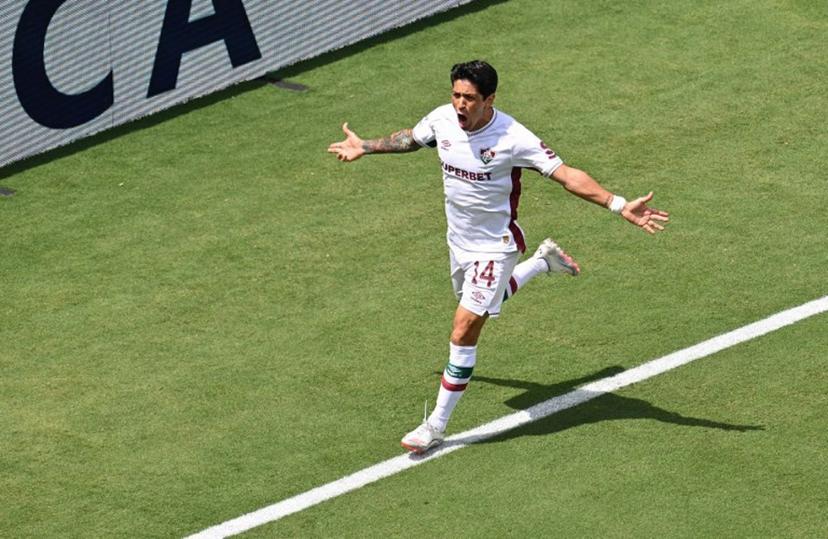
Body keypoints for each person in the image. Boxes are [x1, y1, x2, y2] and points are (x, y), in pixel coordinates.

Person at [327, 60, 669, 454]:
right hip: (458, 243)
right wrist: (365, 146)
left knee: (464, 328)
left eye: (470, 98)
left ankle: (435, 425)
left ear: (489, 99)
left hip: (495, 247)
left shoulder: (513, 137)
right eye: (456, 95)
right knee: (480, 306)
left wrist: (618, 204)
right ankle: (543, 261)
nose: (460, 104)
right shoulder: (442, 119)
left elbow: (566, 174)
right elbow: (411, 139)